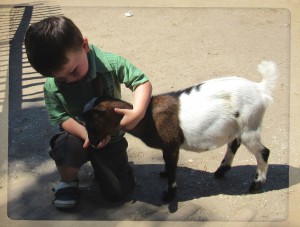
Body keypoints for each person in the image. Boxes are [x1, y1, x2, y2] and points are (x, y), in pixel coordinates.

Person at [24, 16, 152, 209]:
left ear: (84, 45)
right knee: (65, 146)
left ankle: (120, 170)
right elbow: (60, 117)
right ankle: (67, 182)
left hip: (111, 139)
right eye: (60, 78)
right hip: (78, 135)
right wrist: (86, 135)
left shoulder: (109, 63)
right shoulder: (52, 86)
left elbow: (140, 82)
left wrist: (138, 111)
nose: (69, 80)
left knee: (118, 193)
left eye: (73, 71)